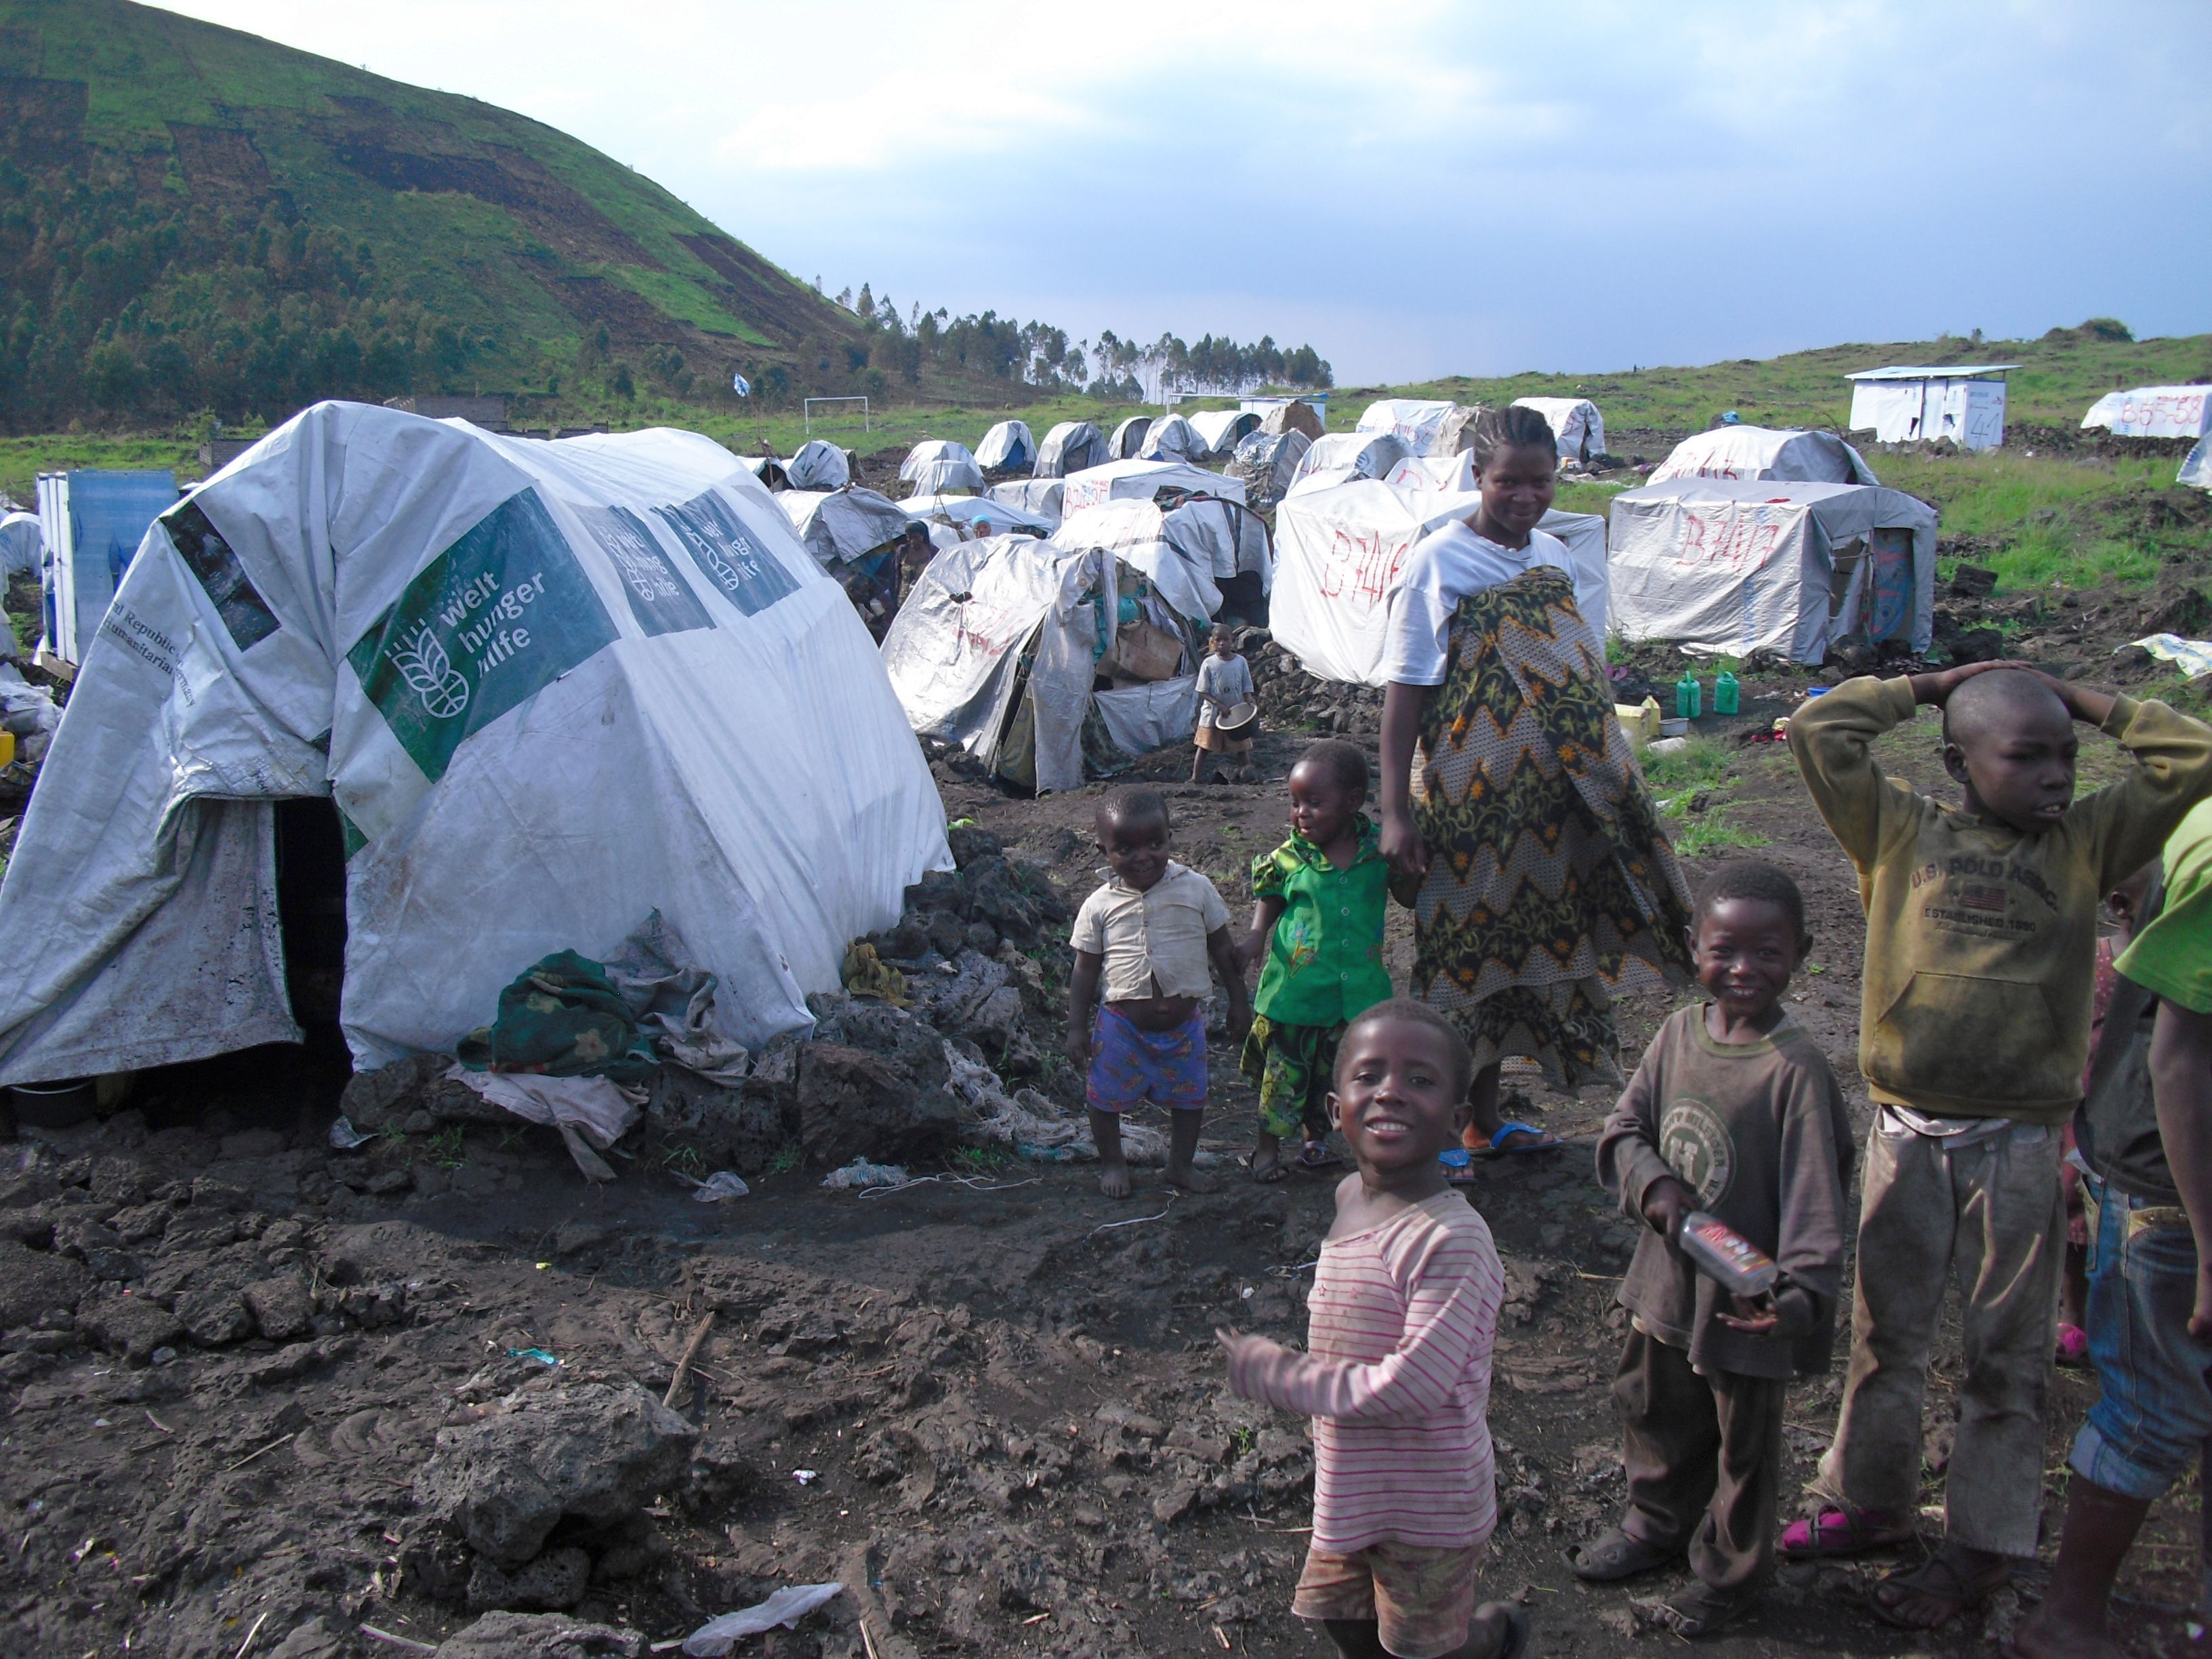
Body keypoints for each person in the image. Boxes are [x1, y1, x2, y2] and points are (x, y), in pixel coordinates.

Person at [1782, 661, 2212, 1630]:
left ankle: (1984, 1543)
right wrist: (1936, 681)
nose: (2058, 775)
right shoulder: (1899, 828)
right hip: (1905, 1129)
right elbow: (1817, 731)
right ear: (1958, 762)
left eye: (2069, 756)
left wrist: (2080, 693)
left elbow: (2195, 757)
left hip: (2021, 1143)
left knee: (2004, 1356)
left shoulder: (2090, 841)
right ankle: (1873, 1501)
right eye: (2029, 757)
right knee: (1884, 1338)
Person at [1378, 405, 1692, 1169]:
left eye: (1540, 481)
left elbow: (1575, 672)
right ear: (1477, 478)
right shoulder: (1439, 561)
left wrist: (1612, 783)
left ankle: (1485, 1123)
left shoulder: (1555, 555)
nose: (1525, 496)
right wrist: (1393, 812)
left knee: (1532, 959)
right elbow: (1405, 693)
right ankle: (1444, 1128)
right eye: (1507, 481)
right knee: (1464, 957)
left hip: (1554, 810)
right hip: (1467, 806)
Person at [1569, 861, 1853, 1637]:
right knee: (1652, 1405)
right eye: (1725, 950)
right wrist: (1655, 1186)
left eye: (1769, 953)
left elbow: (1819, 1196)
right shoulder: (1675, 1037)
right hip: (1667, 1278)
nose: (1744, 969)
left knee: (1745, 1445)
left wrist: (1802, 1289)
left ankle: (1730, 1574)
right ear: (1693, 946)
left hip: (1747, 1301)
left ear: (1802, 952)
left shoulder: (1796, 1073)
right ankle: (1654, 1524)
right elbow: (1623, 1131)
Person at [1218, 1000, 1523, 1659]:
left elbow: (1413, 1385)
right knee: (1346, 1621)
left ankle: (1493, 1637)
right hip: (1351, 1477)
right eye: (1369, 1076)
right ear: (1335, 1112)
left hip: (1429, 1499)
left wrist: (1283, 1376)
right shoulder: (1350, 1199)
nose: (1391, 1091)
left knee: (1422, 1648)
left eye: (1420, 1080)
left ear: (1458, 1120)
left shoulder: (1452, 1241)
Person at [2013, 800, 2212, 1658]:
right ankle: (2067, 1619)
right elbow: (2179, 1055)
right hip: (2172, 1179)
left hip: (2157, 1158)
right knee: (2151, 1414)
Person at [1240, 740, 1416, 1183]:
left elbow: (1407, 898)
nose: (1301, 813)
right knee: (1285, 1074)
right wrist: (1256, 937)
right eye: (1295, 802)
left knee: (1340, 1074)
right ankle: (1266, 1149)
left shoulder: (1378, 852)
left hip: (1359, 993)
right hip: (1295, 993)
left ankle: (1317, 1140)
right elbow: (1270, 895)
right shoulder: (1290, 856)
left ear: (1353, 801)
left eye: (1314, 803)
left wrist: (1413, 870)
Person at [1065, 787, 1251, 1199]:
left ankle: (1179, 1166)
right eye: (1125, 848)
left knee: (1191, 1099)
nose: (1143, 856)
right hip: (1121, 1026)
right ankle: (1113, 1161)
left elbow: (1222, 949)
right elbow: (1085, 970)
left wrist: (1240, 1002)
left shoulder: (1197, 888)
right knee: (1104, 1098)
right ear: (1103, 850)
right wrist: (1076, 1028)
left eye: (1155, 843)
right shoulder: (1099, 905)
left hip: (1185, 1027)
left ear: (1170, 837)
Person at [1193, 623, 1255, 784]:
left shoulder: (1240, 662)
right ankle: (1195, 777)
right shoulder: (1209, 663)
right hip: (1212, 714)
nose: (1222, 644)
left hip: (1235, 713)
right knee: (1204, 746)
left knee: (1241, 747)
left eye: (1226, 640)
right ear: (1212, 643)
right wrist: (1218, 705)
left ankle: (1248, 775)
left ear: (1233, 642)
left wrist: (1248, 698)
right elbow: (1202, 690)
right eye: (1217, 640)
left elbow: (1246, 683)